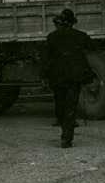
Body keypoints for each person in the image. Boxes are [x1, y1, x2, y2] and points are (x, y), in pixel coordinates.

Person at [40, 8, 96, 148]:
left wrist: (44, 76)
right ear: (73, 22)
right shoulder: (81, 35)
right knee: (71, 106)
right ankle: (67, 137)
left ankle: (65, 133)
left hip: (58, 77)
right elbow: (94, 47)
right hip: (74, 78)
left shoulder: (52, 36)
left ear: (61, 21)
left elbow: (45, 58)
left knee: (60, 106)